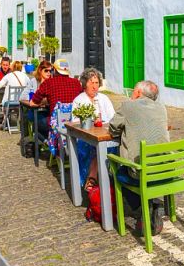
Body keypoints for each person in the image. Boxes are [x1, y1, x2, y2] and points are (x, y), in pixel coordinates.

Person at [109, 80, 169, 235]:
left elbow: (113, 128)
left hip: (140, 174)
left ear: (137, 93)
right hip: (165, 172)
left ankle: (139, 211)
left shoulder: (128, 106)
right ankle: (150, 205)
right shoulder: (162, 108)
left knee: (115, 170)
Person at [72, 68, 116, 189]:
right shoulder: (79, 100)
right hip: (85, 137)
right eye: (92, 82)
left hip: (105, 135)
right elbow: (76, 122)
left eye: (97, 83)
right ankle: (92, 178)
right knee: (94, 147)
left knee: (118, 144)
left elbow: (113, 117)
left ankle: (111, 180)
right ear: (85, 83)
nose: (95, 86)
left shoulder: (104, 98)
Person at [29, 58, 82, 137]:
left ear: (54, 71)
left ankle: (47, 142)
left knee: (36, 122)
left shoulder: (48, 83)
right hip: (73, 122)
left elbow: (32, 103)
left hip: (55, 124)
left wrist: (44, 102)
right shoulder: (77, 83)